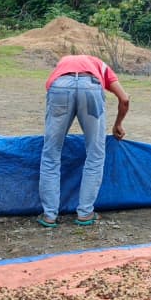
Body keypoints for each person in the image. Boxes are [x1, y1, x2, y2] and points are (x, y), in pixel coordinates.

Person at [37, 54, 130, 227]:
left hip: (60, 86)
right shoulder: (101, 66)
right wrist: (118, 124)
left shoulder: (64, 62)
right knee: (95, 154)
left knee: (51, 154)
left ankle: (49, 215)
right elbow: (124, 98)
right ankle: (85, 213)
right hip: (91, 87)